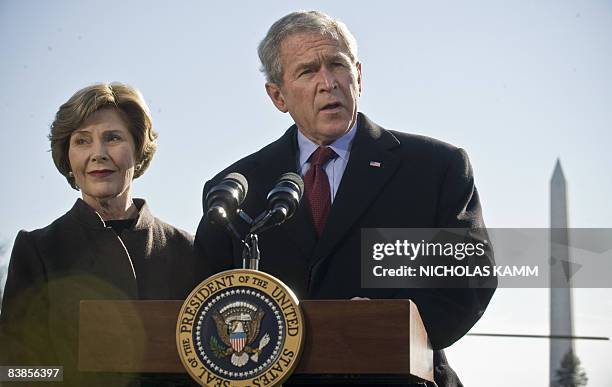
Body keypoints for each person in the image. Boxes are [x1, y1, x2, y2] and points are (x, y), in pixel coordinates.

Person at [194, 11, 496, 387]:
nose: (328, 83)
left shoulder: (435, 167)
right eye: (307, 71)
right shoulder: (236, 187)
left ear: (358, 76)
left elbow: (468, 278)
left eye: (337, 65)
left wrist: (388, 324)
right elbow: (207, 300)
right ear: (278, 96)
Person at [0, 83, 198, 386]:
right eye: (82, 141)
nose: (98, 154)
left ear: (138, 149)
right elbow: (15, 372)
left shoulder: (187, 249)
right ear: (67, 157)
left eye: (113, 138)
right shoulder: (38, 249)